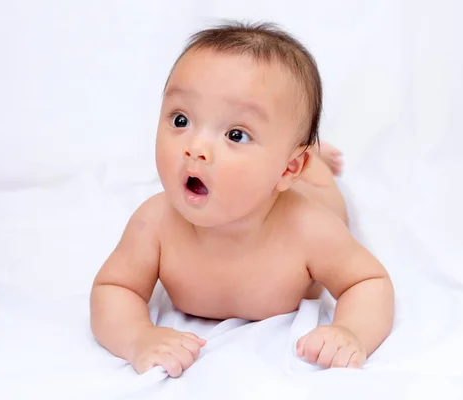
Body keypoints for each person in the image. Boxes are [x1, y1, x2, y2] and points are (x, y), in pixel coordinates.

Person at [90, 21, 394, 378]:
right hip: (283, 174)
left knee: (319, 183)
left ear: (286, 169)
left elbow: (368, 282)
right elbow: (113, 288)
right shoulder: (154, 222)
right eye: (181, 119)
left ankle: (314, 161)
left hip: (307, 193)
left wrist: (351, 331)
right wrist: (137, 336)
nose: (196, 148)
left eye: (236, 134)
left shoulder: (310, 229)